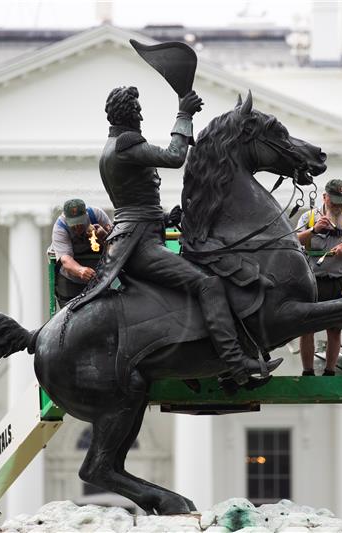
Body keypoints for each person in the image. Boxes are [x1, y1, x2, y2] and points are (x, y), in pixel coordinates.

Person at [70, 85, 269, 388]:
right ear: (132, 115)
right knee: (208, 284)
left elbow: (132, 206)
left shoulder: (112, 148)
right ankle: (236, 363)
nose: (141, 116)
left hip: (139, 237)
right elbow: (175, 156)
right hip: (140, 247)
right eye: (139, 111)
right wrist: (184, 113)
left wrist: (164, 218)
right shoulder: (125, 145)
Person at [296, 179, 342, 376]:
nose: (337, 206)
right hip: (312, 282)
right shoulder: (309, 217)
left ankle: (330, 371)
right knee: (307, 327)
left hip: (337, 281)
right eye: (334, 202)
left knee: (334, 328)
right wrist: (314, 230)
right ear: (324, 197)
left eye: (341, 203)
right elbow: (293, 241)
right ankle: (308, 372)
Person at [51, 198, 112, 308]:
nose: (77, 227)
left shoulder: (97, 215)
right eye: (73, 224)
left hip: (100, 272)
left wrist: (104, 236)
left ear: (86, 214)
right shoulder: (60, 228)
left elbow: (115, 242)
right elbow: (66, 259)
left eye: (80, 222)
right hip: (72, 276)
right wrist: (80, 270)